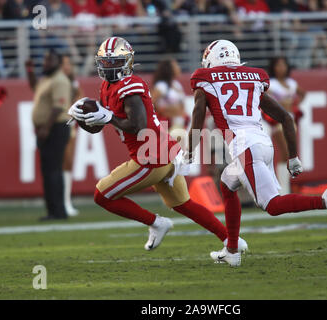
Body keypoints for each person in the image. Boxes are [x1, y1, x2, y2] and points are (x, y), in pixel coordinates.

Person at [68, 37, 247, 252]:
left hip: (151, 156)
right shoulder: (107, 86)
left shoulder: (130, 85)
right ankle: (231, 240)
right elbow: (99, 125)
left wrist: (106, 116)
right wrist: (83, 118)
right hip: (162, 151)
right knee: (184, 204)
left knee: (102, 195)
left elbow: (137, 126)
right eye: (105, 62)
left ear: (127, 61)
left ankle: (156, 223)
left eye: (114, 62)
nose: (109, 67)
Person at [187, 40, 327, 267]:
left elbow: (198, 113)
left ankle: (324, 201)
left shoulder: (205, 80)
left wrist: (189, 149)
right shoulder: (253, 79)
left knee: (272, 206)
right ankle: (232, 250)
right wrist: (293, 157)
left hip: (245, 148)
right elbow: (286, 117)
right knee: (227, 185)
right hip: (263, 144)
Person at [27, 50, 71, 221]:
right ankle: (54, 210)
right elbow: (34, 88)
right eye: (45, 59)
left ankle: (58, 211)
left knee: (53, 171)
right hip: (48, 128)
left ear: (58, 63)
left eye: (49, 60)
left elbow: (58, 107)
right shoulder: (47, 79)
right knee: (49, 171)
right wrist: (30, 72)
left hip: (55, 128)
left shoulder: (60, 80)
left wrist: (45, 128)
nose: (45, 63)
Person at [263, 56, 305, 194]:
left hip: (290, 120)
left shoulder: (291, 83)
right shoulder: (272, 83)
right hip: (278, 121)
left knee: (289, 152)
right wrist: (282, 104)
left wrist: (294, 105)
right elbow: (264, 99)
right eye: (278, 65)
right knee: (286, 152)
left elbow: (302, 93)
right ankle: (282, 189)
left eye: (283, 65)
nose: (281, 68)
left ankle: (284, 187)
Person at [61, 55, 82, 216]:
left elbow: (80, 99)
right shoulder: (57, 81)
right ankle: (61, 202)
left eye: (69, 63)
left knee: (67, 162)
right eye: (64, 63)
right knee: (60, 163)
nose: (67, 66)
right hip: (58, 123)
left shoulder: (72, 82)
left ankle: (66, 201)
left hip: (68, 124)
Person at [151, 59, 188, 139]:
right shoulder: (161, 86)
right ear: (169, 69)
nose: (179, 68)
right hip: (166, 125)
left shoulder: (177, 85)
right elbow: (151, 104)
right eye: (176, 66)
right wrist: (166, 110)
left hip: (178, 123)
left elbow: (182, 107)